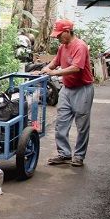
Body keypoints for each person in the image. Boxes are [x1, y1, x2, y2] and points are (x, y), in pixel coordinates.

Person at [38, 19, 94, 167]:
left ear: (68, 32)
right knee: (61, 122)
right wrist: (45, 69)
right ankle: (64, 153)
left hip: (82, 89)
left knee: (82, 125)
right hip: (67, 89)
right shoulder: (63, 47)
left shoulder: (80, 46)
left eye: (59, 35)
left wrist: (54, 73)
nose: (57, 38)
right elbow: (55, 62)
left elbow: (76, 68)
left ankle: (79, 156)